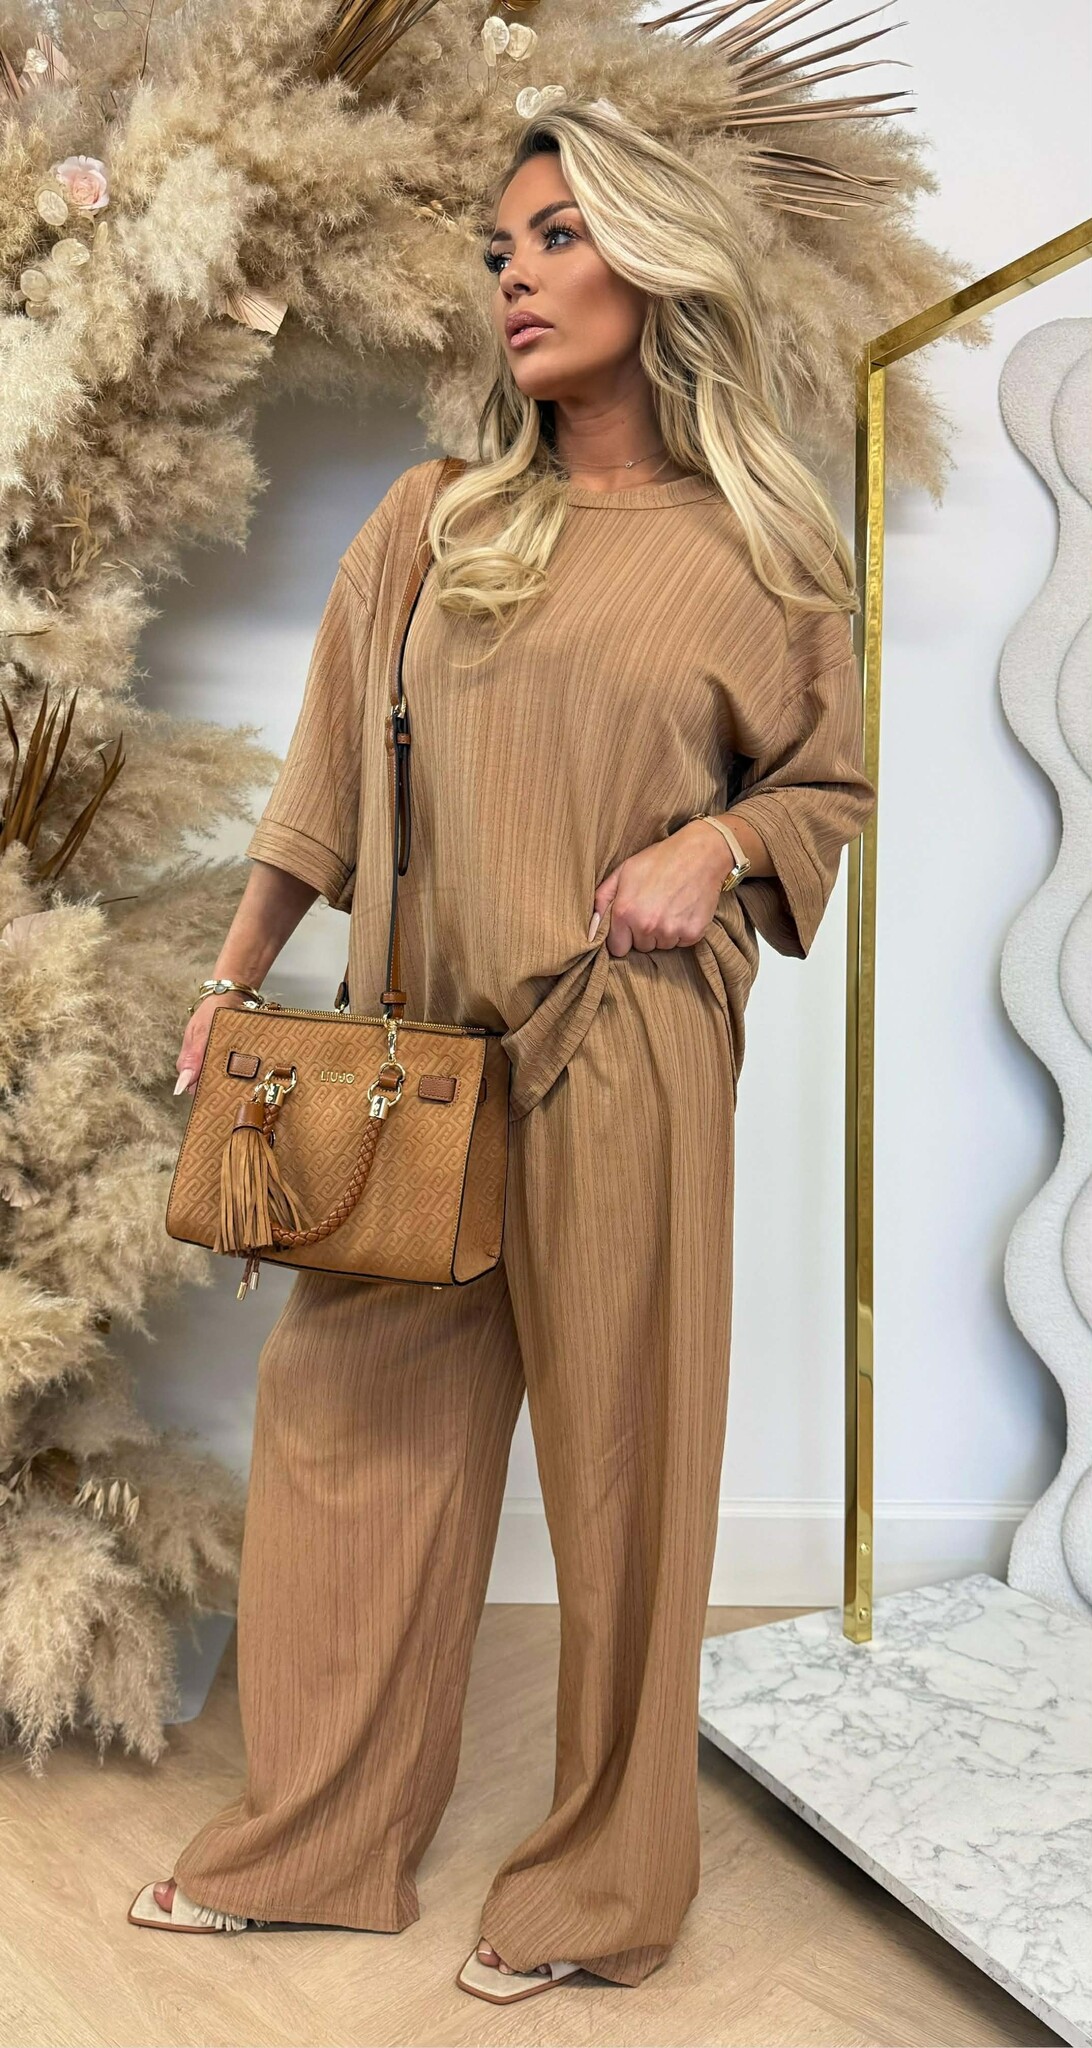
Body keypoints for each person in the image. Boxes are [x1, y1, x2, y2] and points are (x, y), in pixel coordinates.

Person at [128, 99, 877, 2005]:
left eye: (555, 237)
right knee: (348, 1426)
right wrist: (233, 976)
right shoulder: (435, 519)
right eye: (497, 250)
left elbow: (827, 786)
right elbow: (320, 778)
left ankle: (601, 1893)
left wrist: (716, 846)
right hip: (415, 1057)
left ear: (650, 261)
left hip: (632, 1045)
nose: (516, 279)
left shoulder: (758, 553)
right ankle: (316, 1843)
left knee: (628, 1464)